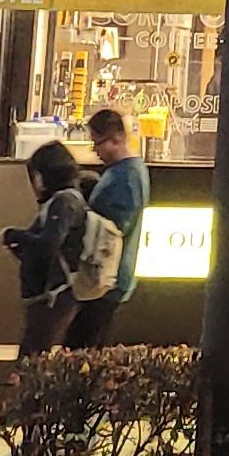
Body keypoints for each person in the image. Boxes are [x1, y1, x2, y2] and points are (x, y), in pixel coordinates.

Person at [65, 108, 145, 347]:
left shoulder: (126, 178)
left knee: (82, 347)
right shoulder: (125, 172)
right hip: (107, 277)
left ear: (117, 138)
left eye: (98, 143)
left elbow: (113, 229)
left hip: (106, 277)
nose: (95, 150)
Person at [0, 142, 89, 355]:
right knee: (35, 352)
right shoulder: (71, 199)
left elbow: (48, 244)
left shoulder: (63, 202)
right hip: (52, 295)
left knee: (32, 356)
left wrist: (13, 235)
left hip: (51, 296)